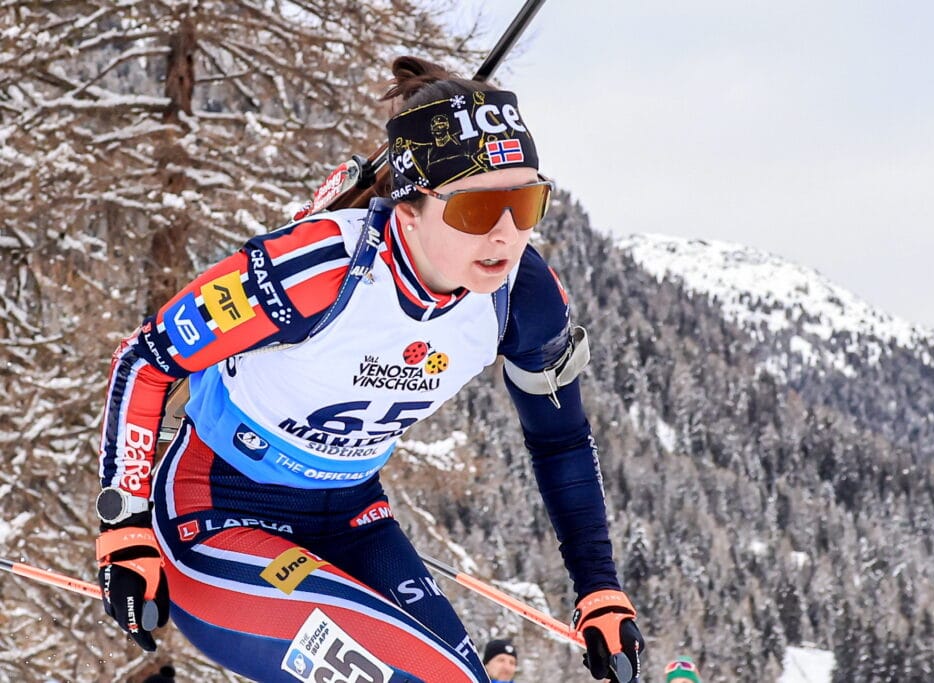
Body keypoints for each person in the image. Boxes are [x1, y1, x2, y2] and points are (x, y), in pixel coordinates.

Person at [94, 55, 644, 683]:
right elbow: (145, 359)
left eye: (525, 203)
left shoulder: (523, 295)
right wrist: (124, 528)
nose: (504, 235)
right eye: (473, 211)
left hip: (351, 516)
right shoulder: (313, 271)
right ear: (408, 208)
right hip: (217, 515)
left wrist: (599, 588)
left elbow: (562, 440)